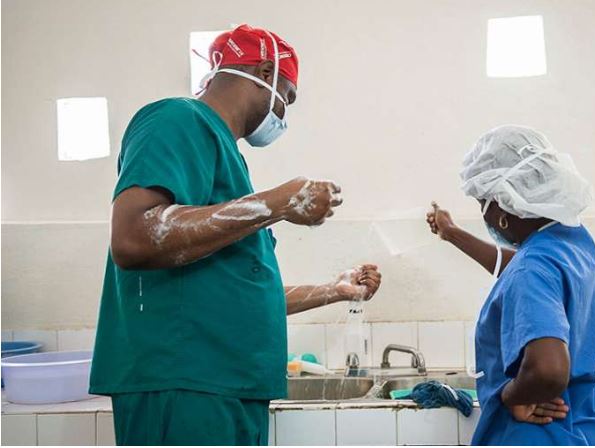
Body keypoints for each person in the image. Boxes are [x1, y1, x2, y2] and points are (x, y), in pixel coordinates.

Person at [89, 24, 382, 446]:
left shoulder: (230, 164)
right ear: (265, 73)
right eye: (288, 97)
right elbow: (134, 237)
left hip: (227, 386)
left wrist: (334, 291)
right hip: (186, 383)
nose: (284, 114)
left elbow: (240, 297)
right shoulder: (177, 119)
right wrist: (276, 203)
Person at [426, 125, 595, 445]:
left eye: (482, 204)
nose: (484, 215)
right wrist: (452, 233)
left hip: (539, 434)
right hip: (586, 426)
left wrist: (512, 395)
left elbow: (548, 370)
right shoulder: (572, 242)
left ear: (503, 207)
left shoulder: (532, 268)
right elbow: (517, 266)